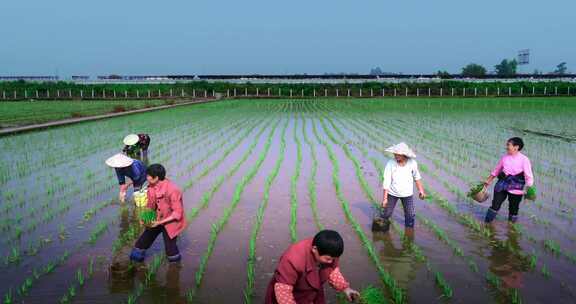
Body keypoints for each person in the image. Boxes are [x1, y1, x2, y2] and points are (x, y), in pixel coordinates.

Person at [265, 230, 360, 304]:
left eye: (334, 258)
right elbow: (283, 290)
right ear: (314, 249)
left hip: (311, 292)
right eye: (328, 259)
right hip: (289, 295)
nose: (331, 262)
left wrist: (345, 289)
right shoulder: (293, 259)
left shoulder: (330, 251)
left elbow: (332, 271)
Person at [129, 164, 186, 263]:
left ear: (156, 178)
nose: (146, 178)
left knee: (171, 251)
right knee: (141, 243)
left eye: (148, 176)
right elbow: (150, 205)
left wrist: (159, 223)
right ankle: (134, 263)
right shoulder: (151, 187)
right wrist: (144, 218)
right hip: (157, 218)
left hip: (171, 222)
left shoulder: (173, 190)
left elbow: (178, 213)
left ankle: (175, 268)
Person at [376, 142, 426, 231]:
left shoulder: (412, 163)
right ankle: (380, 231)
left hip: (407, 194)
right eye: (395, 153)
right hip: (392, 193)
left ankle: (409, 233)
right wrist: (385, 199)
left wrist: (421, 191)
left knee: (410, 215)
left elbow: (417, 177)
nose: (395, 155)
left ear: (404, 154)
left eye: (398, 154)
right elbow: (386, 181)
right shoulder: (390, 163)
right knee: (386, 213)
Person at [483, 137, 534, 223]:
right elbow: (496, 170)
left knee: (513, 209)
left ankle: (511, 228)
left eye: (508, 145)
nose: (506, 147)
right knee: (495, 205)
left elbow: (529, 176)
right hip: (502, 184)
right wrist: (488, 181)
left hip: (516, 187)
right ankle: (486, 224)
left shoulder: (524, 160)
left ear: (516, 147)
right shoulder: (505, 158)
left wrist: (529, 190)